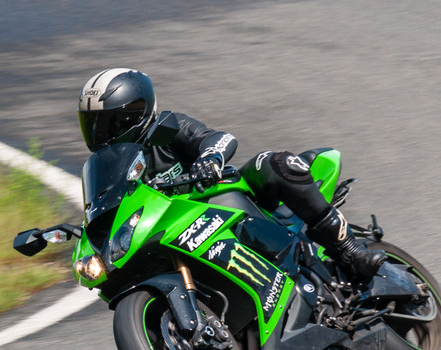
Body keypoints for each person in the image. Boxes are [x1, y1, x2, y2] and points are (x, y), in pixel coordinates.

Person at [77, 68, 386, 284]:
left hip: (224, 202)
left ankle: (350, 251)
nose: (100, 132)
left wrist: (210, 159)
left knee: (272, 163)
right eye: (92, 124)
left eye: (110, 122)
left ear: (136, 113)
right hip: (176, 238)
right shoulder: (107, 167)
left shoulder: (169, 128)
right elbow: (106, 206)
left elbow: (219, 138)